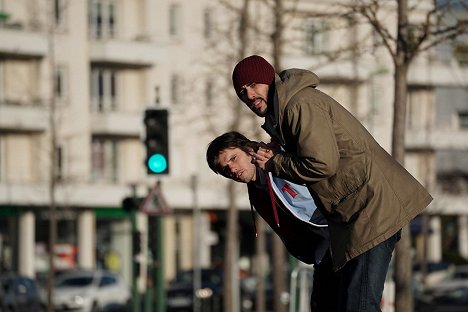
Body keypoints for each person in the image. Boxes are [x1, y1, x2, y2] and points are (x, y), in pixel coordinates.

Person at [230, 55, 433, 312]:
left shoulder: (298, 105)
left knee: (358, 305)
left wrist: (276, 164)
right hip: (355, 213)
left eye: (253, 84)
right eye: (242, 91)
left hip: (370, 209)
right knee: (341, 303)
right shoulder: (284, 114)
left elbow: (321, 164)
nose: (249, 94)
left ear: (269, 78)